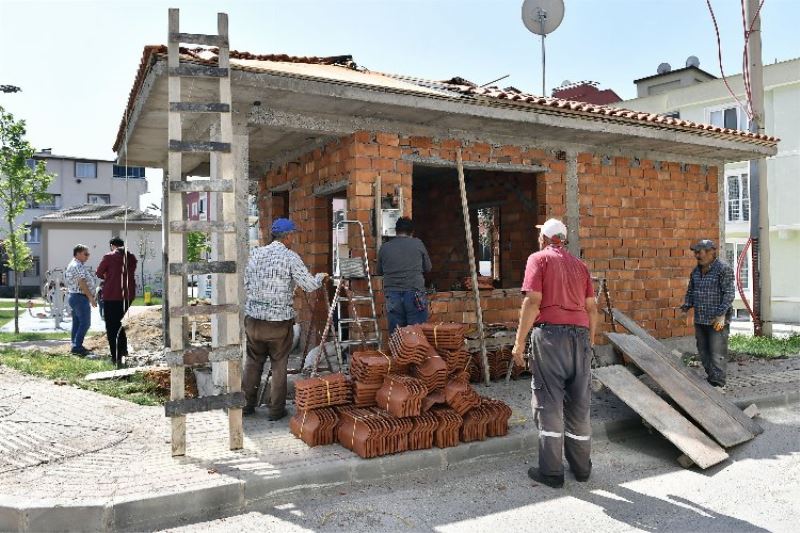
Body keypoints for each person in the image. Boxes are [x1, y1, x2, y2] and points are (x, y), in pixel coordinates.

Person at [511, 218, 598, 489]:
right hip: (580, 338)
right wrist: (589, 343)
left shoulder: (538, 259)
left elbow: (533, 300)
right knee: (579, 402)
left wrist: (518, 343)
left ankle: (551, 471)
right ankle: (582, 468)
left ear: (545, 239)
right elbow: (592, 308)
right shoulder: (580, 265)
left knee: (549, 401)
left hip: (550, 337)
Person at [242, 218, 327, 420]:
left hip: (253, 320)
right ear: (288, 236)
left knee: (253, 362)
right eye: (293, 236)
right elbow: (309, 285)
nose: (293, 239)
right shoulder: (290, 257)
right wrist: (321, 278)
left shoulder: (255, 254)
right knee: (279, 364)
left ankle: (245, 406)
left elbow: (246, 283)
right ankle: (275, 411)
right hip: (278, 323)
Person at [680, 239, 734, 388]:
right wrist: (685, 309)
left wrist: (721, 314)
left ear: (711, 252)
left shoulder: (723, 269)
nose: (697, 255)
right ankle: (712, 380)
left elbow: (729, 293)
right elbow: (691, 292)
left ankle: (718, 384)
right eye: (695, 252)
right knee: (704, 353)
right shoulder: (696, 272)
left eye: (700, 252)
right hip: (700, 319)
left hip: (717, 320)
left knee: (717, 353)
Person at [376, 217, 432, 336]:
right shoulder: (418, 243)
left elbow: (379, 271)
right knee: (416, 332)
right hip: (414, 293)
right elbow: (428, 268)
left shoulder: (385, 247)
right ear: (412, 231)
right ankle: (415, 354)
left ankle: (399, 354)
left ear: (396, 231)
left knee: (397, 334)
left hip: (392, 295)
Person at [96, 237, 137, 368]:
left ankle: (116, 357)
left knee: (111, 327)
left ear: (112, 246)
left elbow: (99, 273)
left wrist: (108, 276)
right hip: (128, 295)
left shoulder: (109, 257)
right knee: (118, 323)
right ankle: (123, 350)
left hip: (112, 295)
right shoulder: (132, 258)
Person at [64, 244, 98, 356]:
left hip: (75, 297)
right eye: (86, 254)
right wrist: (90, 297)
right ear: (78, 253)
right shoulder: (77, 265)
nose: (87, 256)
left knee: (77, 323)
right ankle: (77, 346)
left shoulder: (76, 264)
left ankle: (75, 344)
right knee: (85, 323)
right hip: (79, 297)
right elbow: (82, 282)